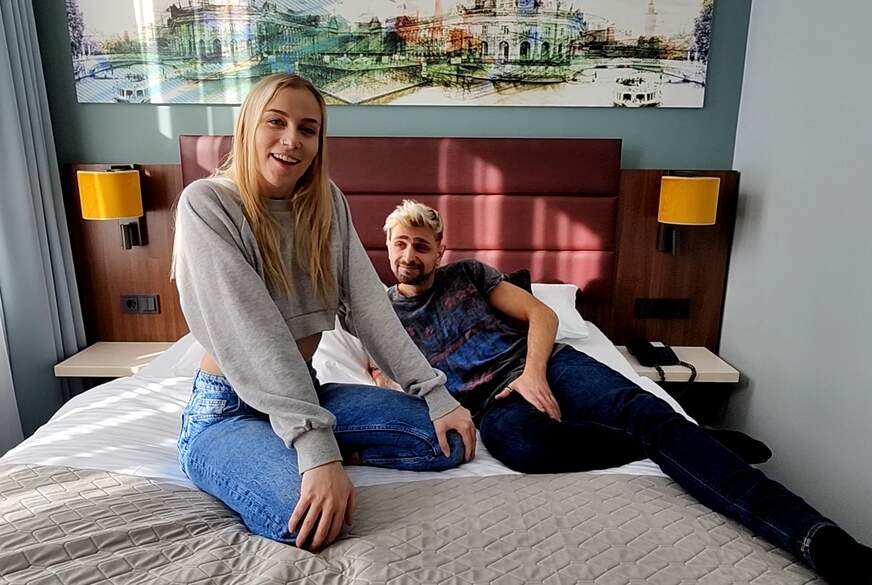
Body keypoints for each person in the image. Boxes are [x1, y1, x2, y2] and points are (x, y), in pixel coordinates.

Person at [378, 199, 871, 585]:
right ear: (387, 247)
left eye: (421, 245)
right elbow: (384, 374)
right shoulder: (379, 313)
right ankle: (687, 441)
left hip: (548, 366)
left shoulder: (468, 275)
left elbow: (542, 314)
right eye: (401, 244)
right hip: (494, 405)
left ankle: (820, 541)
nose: (409, 255)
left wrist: (534, 374)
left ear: (440, 250)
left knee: (647, 414)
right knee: (521, 447)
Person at [171, 75, 475, 552]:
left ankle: (306, 441)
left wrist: (435, 395)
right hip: (230, 409)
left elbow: (370, 307)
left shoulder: (325, 202)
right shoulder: (207, 204)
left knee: (447, 440)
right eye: (276, 122)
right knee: (309, 520)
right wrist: (318, 452)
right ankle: (251, 452)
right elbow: (257, 337)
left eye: (308, 129)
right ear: (248, 126)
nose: (291, 140)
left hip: (308, 392)